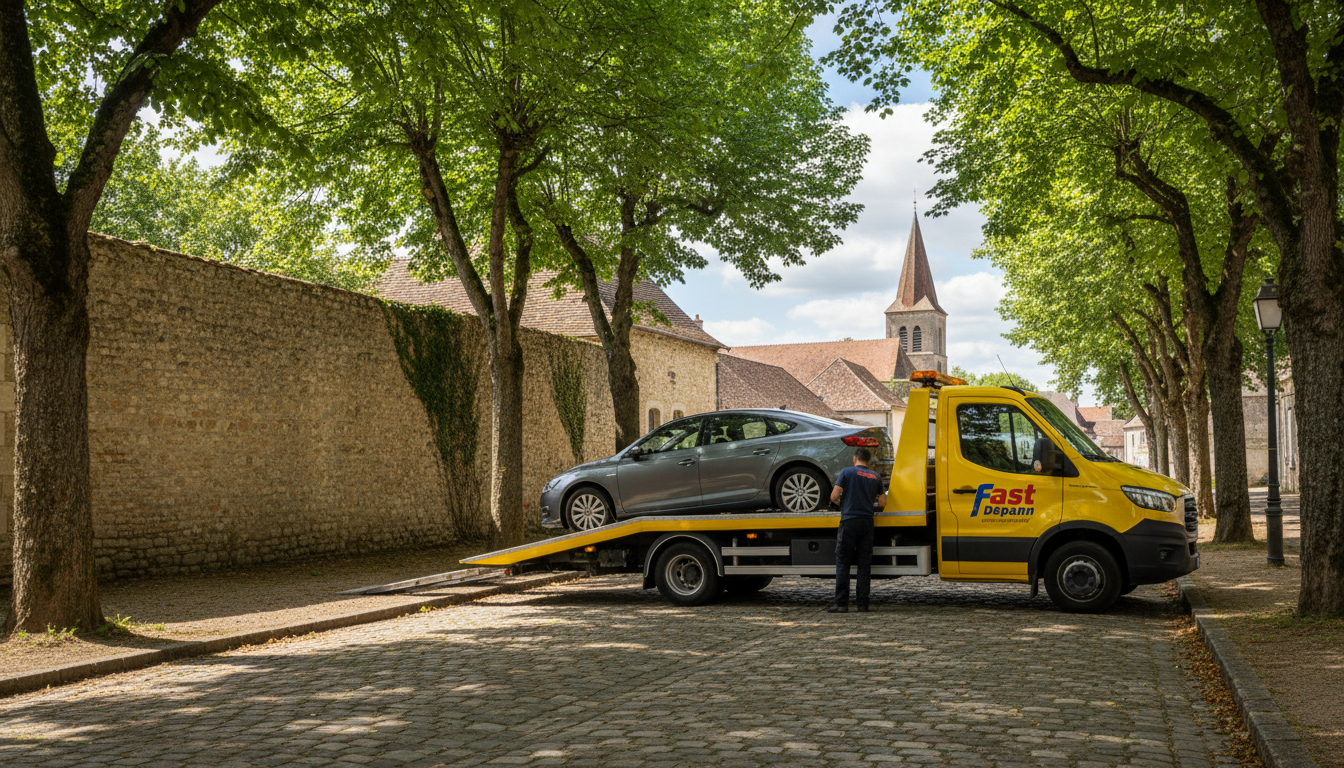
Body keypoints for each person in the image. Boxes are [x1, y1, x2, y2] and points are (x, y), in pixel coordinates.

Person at [828, 447, 887, 613]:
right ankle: (862, 604)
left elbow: (834, 496)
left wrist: (842, 504)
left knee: (843, 562)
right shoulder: (875, 477)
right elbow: (882, 502)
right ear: (868, 461)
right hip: (867, 522)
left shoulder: (846, 472)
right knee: (864, 564)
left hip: (849, 521)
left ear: (855, 459)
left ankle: (841, 604)